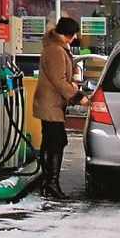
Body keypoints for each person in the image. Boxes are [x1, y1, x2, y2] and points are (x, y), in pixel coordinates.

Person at [33, 17, 89, 200]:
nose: (74, 39)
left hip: (53, 103)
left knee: (52, 141)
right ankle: (51, 184)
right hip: (51, 104)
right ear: (68, 34)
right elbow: (59, 80)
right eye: (73, 35)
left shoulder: (55, 48)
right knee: (56, 141)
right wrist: (77, 97)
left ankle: (48, 182)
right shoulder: (55, 50)